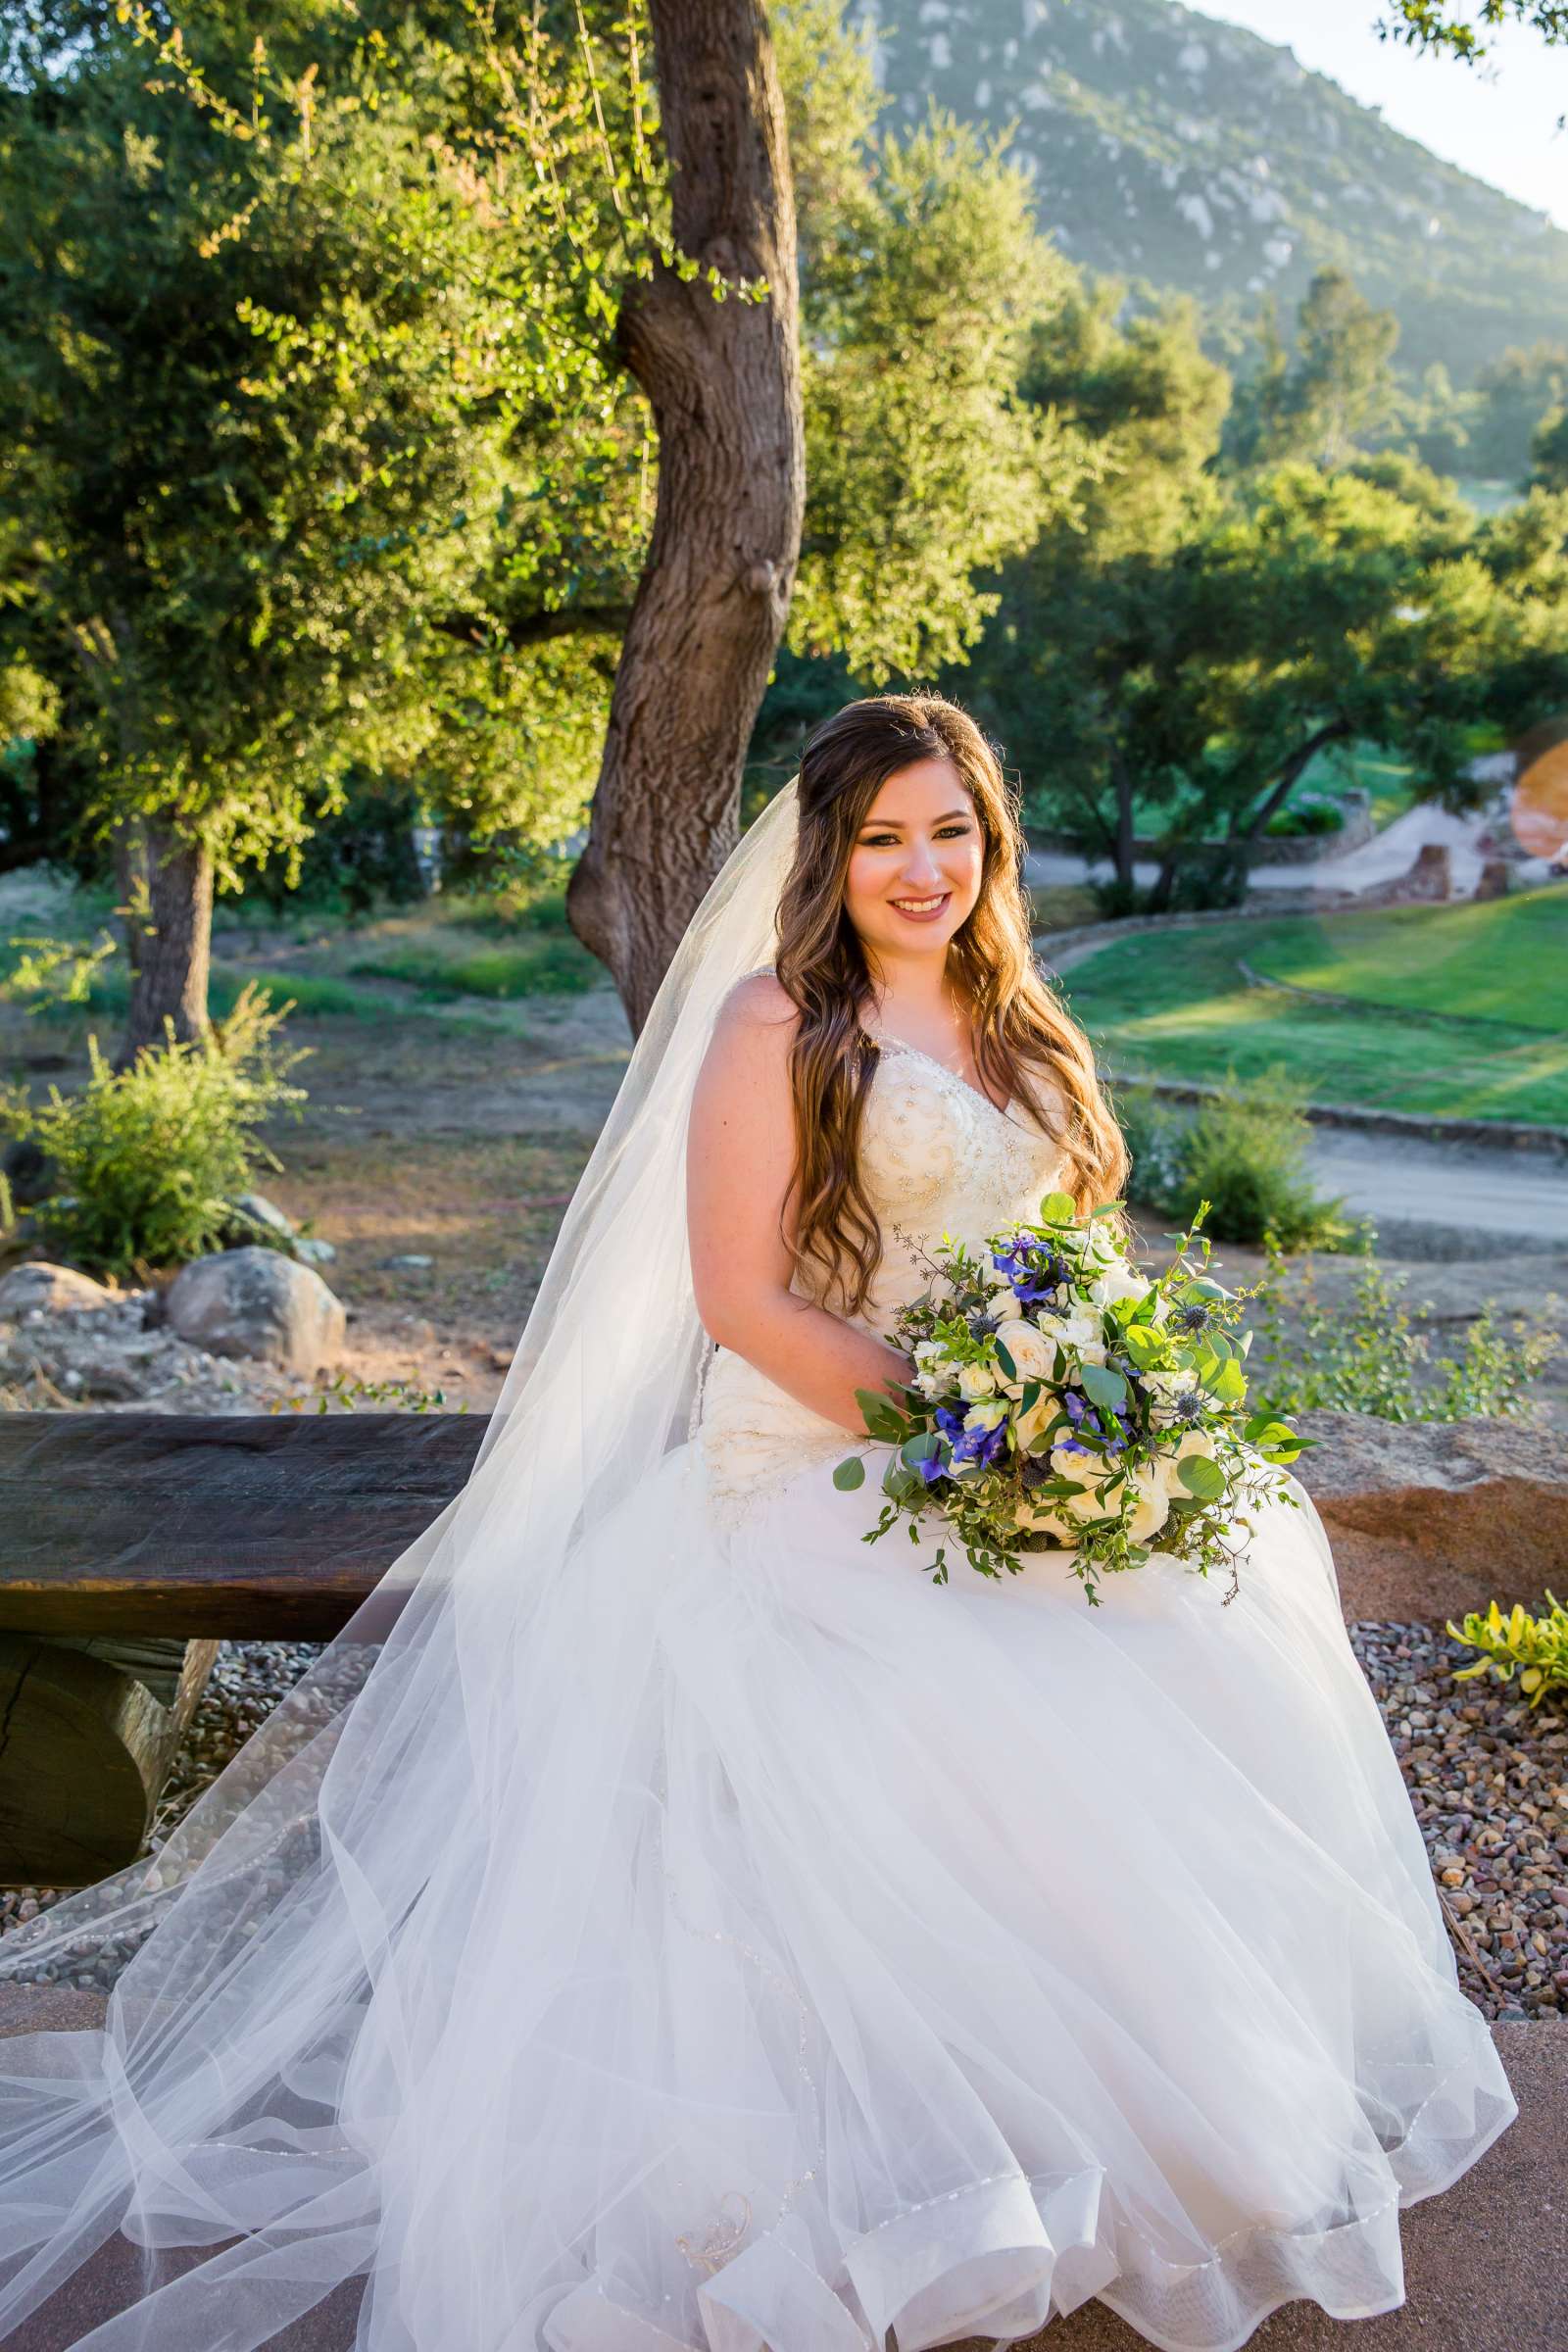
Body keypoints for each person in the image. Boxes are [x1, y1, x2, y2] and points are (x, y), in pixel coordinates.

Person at [0, 695, 1516, 2352]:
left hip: (1000, 1453)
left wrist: (1093, 1408)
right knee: (938, 1723)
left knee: (1175, 1670)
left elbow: (1076, 1257)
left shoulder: (1019, 1024)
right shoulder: (776, 1024)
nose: (921, 868)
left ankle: (1093, 2133)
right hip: (815, 1467)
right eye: (883, 839)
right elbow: (741, 1300)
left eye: (951, 831)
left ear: (989, 840)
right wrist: (968, 1440)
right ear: (829, 855)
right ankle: (880, 2172)